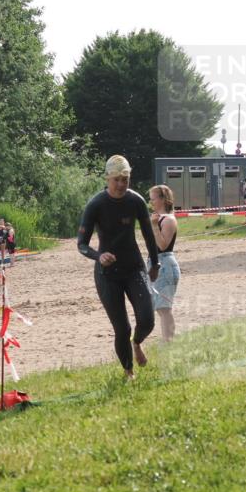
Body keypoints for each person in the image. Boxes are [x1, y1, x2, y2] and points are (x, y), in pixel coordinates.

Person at [77, 155, 160, 379]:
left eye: (126, 179)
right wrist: (98, 255)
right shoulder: (96, 204)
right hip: (107, 274)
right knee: (122, 328)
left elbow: (148, 234)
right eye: (117, 180)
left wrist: (155, 263)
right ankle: (128, 371)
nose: (122, 184)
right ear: (108, 179)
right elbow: (81, 245)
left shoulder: (136, 201)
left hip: (134, 268)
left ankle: (138, 342)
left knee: (147, 319)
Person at [148, 184, 180, 342]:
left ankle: (169, 342)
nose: (151, 202)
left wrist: (154, 226)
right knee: (161, 308)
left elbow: (162, 245)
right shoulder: (158, 218)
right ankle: (167, 341)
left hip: (165, 264)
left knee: (164, 308)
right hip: (157, 264)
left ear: (162, 199)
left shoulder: (168, 220)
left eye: (153, 198)